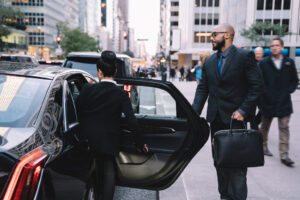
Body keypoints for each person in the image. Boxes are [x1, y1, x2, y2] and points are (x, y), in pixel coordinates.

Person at [192, 23, 263, 200]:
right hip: (215, 121)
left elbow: (257, 86)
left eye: (214, 34)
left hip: (236, 121)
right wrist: (192, 114)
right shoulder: (209, 61)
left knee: (237, 167)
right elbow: (202, 90)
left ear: (227, 35)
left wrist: (243, 110)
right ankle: (224, 196)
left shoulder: (244, 56)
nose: (211, 38)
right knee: (220, 163)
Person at [77, 50, 148, 200]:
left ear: (99, 72)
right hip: (110, 141)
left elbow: (78, 110)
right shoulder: (121, 94)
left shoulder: (88, 89)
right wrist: (140, 143)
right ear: (115, 71)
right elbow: (131, 120)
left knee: (92, 172)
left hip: (89, 140)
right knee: (109, 171)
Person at [258, 37, 299, 165]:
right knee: (264, 127)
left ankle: (284, 155)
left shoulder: (289, 63)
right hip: (267, 101)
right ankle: (263, 146)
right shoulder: (264, 63)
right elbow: (259, 82)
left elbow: (294, 80)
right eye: (272, 46)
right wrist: (263, 95)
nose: (274, 47)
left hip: (284, 102)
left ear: (282, 47)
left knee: (284, 128)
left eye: (276, 45)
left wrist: (289, 90)